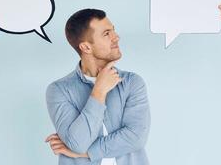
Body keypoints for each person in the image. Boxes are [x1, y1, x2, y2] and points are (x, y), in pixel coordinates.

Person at [45, 9, 150, 165]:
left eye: (113, 30)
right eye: (107, 34)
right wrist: (99, 91)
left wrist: (86, 153)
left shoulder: (132, 83)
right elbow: (78, 143)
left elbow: (136, 138)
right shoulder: (59, 90)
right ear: (86, 47)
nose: (116, 37)